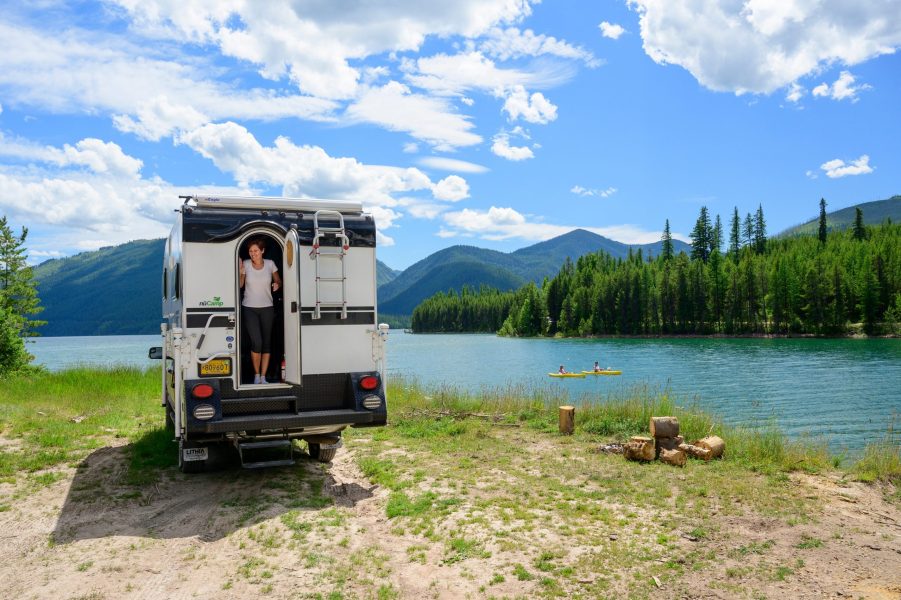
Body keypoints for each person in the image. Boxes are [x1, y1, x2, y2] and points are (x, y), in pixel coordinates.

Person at [239, 238, 281, 384]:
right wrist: (241, 273)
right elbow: (240, 285)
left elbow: (278, 281)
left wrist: (277, 284)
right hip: (249, 308)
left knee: (267, 343)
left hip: (267, 308)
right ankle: (256, 376)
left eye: (256, 251)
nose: (253, 254)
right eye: (251, 251)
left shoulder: (270, 264)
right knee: (257, 342)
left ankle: (263, 376)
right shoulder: (245, 264)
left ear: (262, 251)